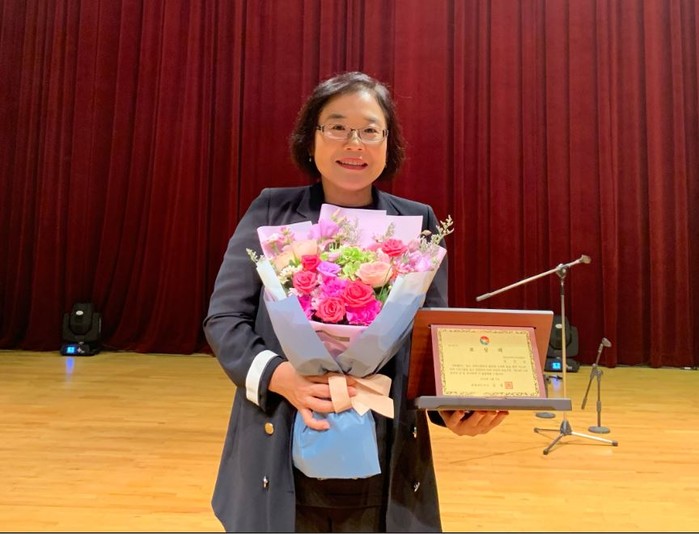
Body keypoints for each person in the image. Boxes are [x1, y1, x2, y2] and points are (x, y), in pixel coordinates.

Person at [203, 71, 508, 533]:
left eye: (370, 130)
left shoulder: (418, 222)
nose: (354, 143)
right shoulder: (271, 211)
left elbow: (427, 342)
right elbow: (225, 319)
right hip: (279, 441)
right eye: (338, 127)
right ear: (311, 140)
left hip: (385, 454)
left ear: (388, 145)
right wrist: (282, 377)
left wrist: (451, 410)